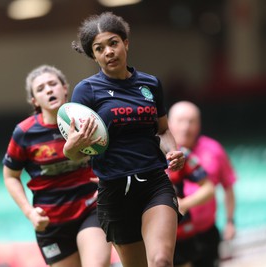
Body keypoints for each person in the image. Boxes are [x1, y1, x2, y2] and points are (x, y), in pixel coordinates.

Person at [63, 12, 185, 267]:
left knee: (161, 260)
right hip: (114, 191)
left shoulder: (150, 85)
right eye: (99, 48)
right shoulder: (86, 91)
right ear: (93, 55)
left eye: (113, 43)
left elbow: (162, 130)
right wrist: (72, 147)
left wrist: (172, 151)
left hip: (154, 184)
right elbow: (74, 152)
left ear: (126, 43)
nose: (108, 51)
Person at [2, 65, 112, 267]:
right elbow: (10, 176)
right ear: (35, 101)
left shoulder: (88, 122)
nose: (49, 90)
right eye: (41, 88)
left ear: (65, 88)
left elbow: (112, 156)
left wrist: (109, 182)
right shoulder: (24, 133)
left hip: (91, 209)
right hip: (51, 222)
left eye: (53, 84)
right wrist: (30, 213)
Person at [168, 101, 237, 267]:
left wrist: (230, 221)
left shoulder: (213, 149)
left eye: (191, 121)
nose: (186, 127)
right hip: (173, 235)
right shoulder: (157, 153)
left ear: (199, 124)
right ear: (168, 123)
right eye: (181, 121)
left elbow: (228, 186)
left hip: (205, 230)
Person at [166, 148, 215, 267]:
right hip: (147, 234)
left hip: (181, 232)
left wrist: (183, 204)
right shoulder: (131, 154)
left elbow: (208, 188)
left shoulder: (179, 154)